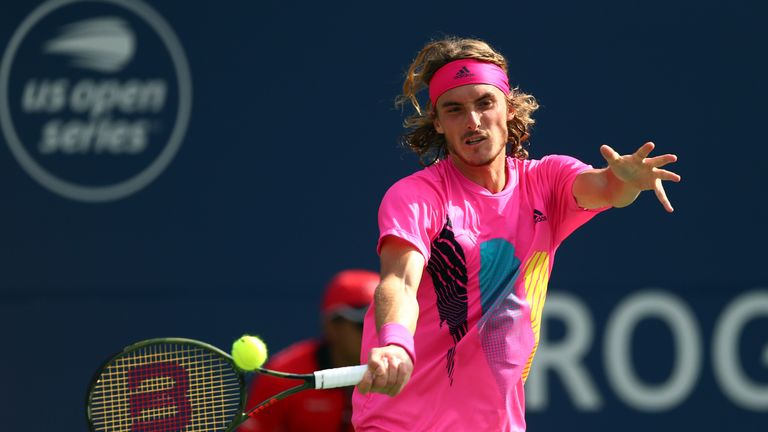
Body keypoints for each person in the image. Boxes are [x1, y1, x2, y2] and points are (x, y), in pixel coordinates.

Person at [352, 37, 681, 431]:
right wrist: (393, 341)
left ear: (508, 108)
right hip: (403, 422)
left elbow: (607, 189)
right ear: (438, 123)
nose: (473, 121)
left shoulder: (548, 181)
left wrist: (623, 180)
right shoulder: (416, 196)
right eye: (455, 110)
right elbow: (399, 282)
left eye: (484, 103)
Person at [240, 269, 379, 432]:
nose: (374, 334)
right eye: (362, 325)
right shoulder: (281, 377)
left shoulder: (406, 376)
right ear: (332, 327)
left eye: (381, 324)